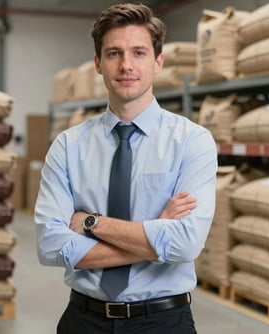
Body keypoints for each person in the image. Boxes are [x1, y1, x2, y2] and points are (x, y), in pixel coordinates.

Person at [35, 3, 217, 333]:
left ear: (158, 62)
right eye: (114, 53)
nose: (126, 65)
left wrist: (90, 222)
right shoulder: (68, 146)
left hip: (163, 321)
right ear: (98, 64)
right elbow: (50, 245)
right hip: (83, 320)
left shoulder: (193, 141)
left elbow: (186, 244)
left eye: (139, 53)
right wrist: (155, 233)